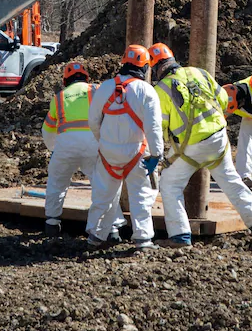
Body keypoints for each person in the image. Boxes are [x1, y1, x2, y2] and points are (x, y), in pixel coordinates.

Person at [151, 43, 252, 246]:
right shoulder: (199, 73)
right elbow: (222, 98)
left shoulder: (161, 90)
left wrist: (157, 153)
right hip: (218, 138)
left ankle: (180, 236)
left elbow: (159, 125)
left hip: (191, 147)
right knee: (231, 181)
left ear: (156, 68)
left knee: (169, 183)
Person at [86, 45, 164, 251]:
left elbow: (93, 121)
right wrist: (157, 153)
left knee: (103, 196)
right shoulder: (147, 91)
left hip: (108, 154)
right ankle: (143, 239)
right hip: (137, 154)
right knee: (141, 196)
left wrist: (103, 142)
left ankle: (95, 236)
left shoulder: (104, 87)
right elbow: (153, 126)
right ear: (145, 67)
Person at [41, 61, 97, 237]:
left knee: (57, 182)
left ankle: (52, 223)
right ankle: (109, 228)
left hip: (66, 144)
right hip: (94, 143)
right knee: (103, 184)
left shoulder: (59, 97)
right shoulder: (96, 91)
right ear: (86, 78)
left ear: (65, 81)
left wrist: (53, 149)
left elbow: (48, 130)